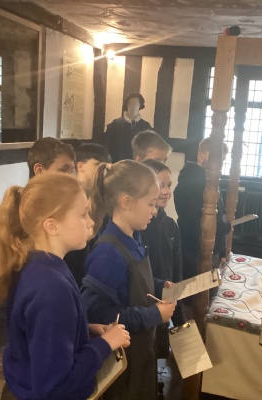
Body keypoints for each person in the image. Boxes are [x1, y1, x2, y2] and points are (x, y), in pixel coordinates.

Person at [0, 173, 130, 400]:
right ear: (51, 226)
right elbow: (55, 385)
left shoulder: (36, 263)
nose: (91, 222)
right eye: (83, 214)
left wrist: (83, 329)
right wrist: (105, 344)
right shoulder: (50, 287)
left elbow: (36, 332)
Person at [80, 160, 176, 400]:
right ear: (126, 202)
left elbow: (132, 283)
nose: (154, 211)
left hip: (142, 350)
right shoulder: (108, 253)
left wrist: (158, 285)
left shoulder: (134, 238)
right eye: (150, 204)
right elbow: (98, 313)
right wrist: (153, 315)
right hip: (124, 361)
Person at [141, 159, 185, 400]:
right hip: (145, 304)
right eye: (161, 185)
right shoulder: (140, 227)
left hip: (166, 301)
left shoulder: (170, 226)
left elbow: (176, 274)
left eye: (169, 185)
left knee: (159, 349)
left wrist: (180, 321)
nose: (167, 191)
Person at [174, 137, 231, 281]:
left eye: (222, 160)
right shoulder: (190, 182)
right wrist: (223, 227)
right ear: (201, 156)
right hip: (195, 252)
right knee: (197, 292)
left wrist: (221, 250)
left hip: (211, 249)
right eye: (216, 159)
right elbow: (192, 223)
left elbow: (219, 213)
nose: (219, 164)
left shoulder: (209, 180)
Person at [64, 143, 111, 287]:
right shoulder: (66, 197)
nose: (102, 170)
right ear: (80, 166)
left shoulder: (103, 198)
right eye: (97, 164)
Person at [103, 93, 152, 162]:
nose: (133, 106)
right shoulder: (115, 125)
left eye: (136, 104)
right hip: (118, 163)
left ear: (140, 106)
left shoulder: (145, 126)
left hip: (138, 165)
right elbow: (107, 147)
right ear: (127, 105)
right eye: (131, 103)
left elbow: (149, 149)